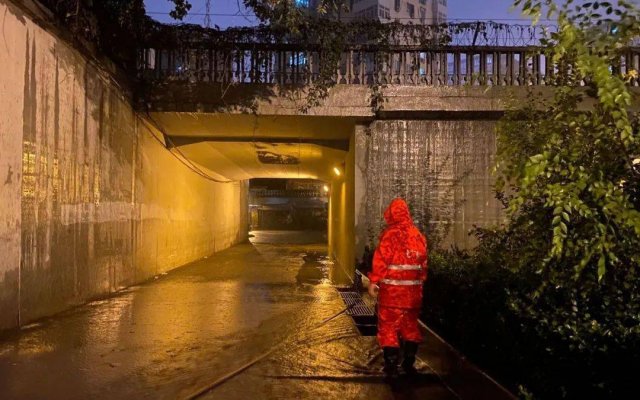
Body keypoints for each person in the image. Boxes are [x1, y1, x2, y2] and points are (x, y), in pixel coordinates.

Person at [367, 198, 428, 380]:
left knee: (388, 328)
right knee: (410, 327)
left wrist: (374, 282)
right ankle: (409, 363)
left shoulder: (390, 235)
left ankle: (391, 365)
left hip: (392, 295)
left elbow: (381, 260)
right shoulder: (418, 236)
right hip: (413, 296)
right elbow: (423, 267)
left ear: (391, 214)